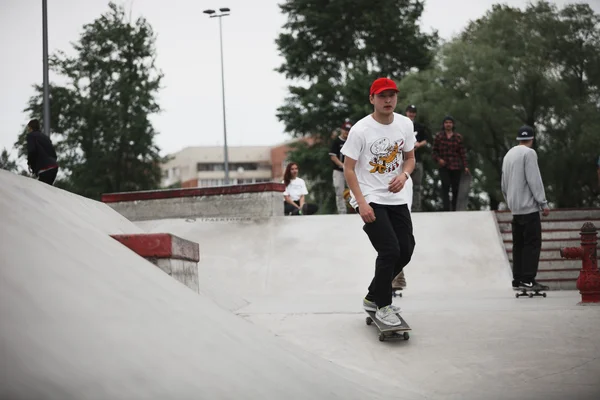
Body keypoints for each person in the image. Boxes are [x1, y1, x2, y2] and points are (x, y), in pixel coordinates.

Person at [341, 77, 416, 327]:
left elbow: (410, 159)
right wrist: (361, 203)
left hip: (396, 197)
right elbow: (348, 169)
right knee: (389, 250)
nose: (388, 100)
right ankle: (383, 305)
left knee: (406, 250)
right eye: (382, 96)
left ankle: (373, 295)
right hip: (370, 197)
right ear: (372, 99)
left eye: (392, 95)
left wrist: (404, 176)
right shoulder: (361, 130)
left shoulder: (405, 124)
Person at [501, 125, 550, 291]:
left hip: (515, 209)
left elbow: (503, 184)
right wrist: (543, 202)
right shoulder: (529, 153)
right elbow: (534, 179)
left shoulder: (509, 155)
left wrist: (510, 202)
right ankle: (528, 279)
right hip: (529, 208)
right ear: (532, 138)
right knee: (532, 244)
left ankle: (518, 279)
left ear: (518, 139)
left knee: (519, 245)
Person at [432, 116, 469, 211]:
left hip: (456, 166)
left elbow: (462, 153)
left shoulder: (458, 137)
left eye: (450, 122)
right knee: (445, 186)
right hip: (444, 166)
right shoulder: (439, 136)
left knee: (455, 188)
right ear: (443, 124)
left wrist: (465, 166)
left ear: (453, 124)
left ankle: (455, 208)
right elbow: (434, 152)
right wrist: (438, 159)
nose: (448, 124)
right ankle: (446, 208)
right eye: (446, 122)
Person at [404, 105, 428, 212]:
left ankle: (416, 208)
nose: (411, 114)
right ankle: (405, 206)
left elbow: (426, 140)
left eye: (413, 112)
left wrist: (419, 144)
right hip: (404, 160)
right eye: (410, 112)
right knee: (403, 184)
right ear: (406, 112)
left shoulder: (419, 127)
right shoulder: (401, 125)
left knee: (417, 186)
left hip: (417, 159)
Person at [329, 121, 352, 214]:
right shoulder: (337, 142)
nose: (347, 132)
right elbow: (333, 156)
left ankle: (355, 209)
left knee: (354, 190)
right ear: (342, 130)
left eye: (349, 130)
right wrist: (343, 165)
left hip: (351, 170)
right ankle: (342, 212)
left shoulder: (352, 141)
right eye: (346, 130)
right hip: (339, 170)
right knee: (339, 190)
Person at [26, 119, 58, 185]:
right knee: (46, 190)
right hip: (54, 166)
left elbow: (32, 151)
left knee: (40, 190)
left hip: (44, 168)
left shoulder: (31, 136)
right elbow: (53, 153)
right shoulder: (45, 137)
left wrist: (30, 163)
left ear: (30, 127)